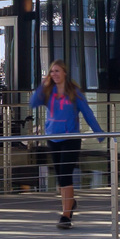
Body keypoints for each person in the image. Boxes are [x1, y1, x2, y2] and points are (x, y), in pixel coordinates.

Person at [29, 60, 102, 229]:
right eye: (52, 71)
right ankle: (70, 204)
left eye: (57, 71)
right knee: (61, 178)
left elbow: (87, 112)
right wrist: (41, 86)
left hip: (71, 139)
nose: (54, 74)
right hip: (53, 139)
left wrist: (99, 133)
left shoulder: (74, 92)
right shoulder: (49, 92)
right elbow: (33, 103)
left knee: (65, 176)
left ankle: (66, 215)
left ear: (65, 73)